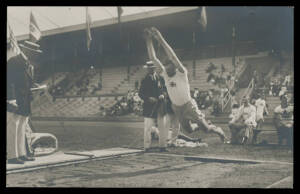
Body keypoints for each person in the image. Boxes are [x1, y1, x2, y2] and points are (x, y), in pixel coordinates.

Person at [144, 27, 228, 143]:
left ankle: (218, 131)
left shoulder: (182, 73)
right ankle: (199, 125)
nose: (166, 68)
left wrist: (160, 38)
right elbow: (153, 58)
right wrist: (148, 40)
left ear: (174, 66)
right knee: (188, 130)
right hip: (177, 108)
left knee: (206, 129)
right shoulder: (165, 74)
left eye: (169, 65)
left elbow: (172, 56)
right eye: (165, 66)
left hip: (189, 105)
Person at [7, 42, 35, 164]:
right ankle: (12, 156)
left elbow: (26, 82)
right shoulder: (14, 61)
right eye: (31, 50)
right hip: (16, 99)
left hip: (25, 99)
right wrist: (11, 98)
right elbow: (9, 81)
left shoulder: (27, 63)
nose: (33, 53)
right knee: (13, 127)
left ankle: (21, 153)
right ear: (24, 49)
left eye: (35, 51)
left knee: (22, 127)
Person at [138, 61, 169, 152]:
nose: (150, 69)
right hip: (149, 107)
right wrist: (148, 98)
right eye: (148, 68)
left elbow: (165, 90)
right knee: (147, 127)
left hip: (160, 106)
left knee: (162, 127)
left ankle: (162, 146)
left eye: (151, 68)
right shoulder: (144, 79)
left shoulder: (161, 78)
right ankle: (146, 147)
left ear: (155, 68)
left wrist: (163, 95)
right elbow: (141, 94)